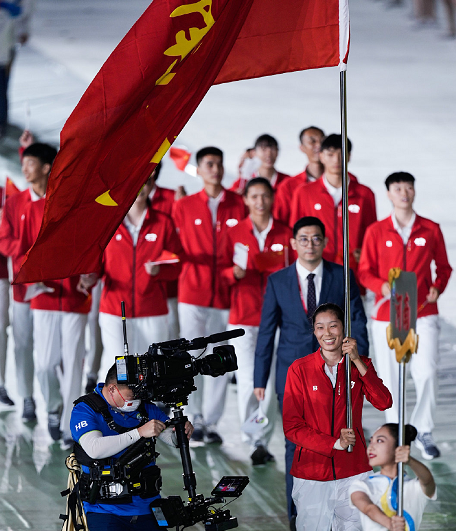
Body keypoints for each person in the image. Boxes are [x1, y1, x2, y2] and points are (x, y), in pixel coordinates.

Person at [254, 216, 369, 521]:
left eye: (316, 238)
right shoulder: (277, 281)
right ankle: (298, 515)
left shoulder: (342, 275)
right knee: (297, 441)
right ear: (293, 244)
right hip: (292, 374)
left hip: (337, 373)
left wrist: (359, 363)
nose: (310, 244)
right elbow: (267, 331)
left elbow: (357, 320)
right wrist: (259, 378)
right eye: (303, 239)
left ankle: (342, 512)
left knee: (344, 438)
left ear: (326, 242)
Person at [358, 171, 452, 460]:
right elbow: (364, 271)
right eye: (397, 188)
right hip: (387, 313)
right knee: (389, 376)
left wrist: (438, 288)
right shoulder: (376, 231)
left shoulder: (430, 229)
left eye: (408, 187)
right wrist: (381, 286)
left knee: (426, 370)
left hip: (422, 311)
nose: (404, 192)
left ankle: (423, 429)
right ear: (388, 193)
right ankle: (396, 430)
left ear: (414, 191)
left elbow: (444, 268)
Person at [283, 303, 392, 531]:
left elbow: (384, 402)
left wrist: (357, 361)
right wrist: (334, 443)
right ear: (314, 332)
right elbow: (292, 427)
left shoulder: (360, 366)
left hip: (354, 470)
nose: (327, 333)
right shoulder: (299, 369)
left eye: (333, 326)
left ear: (344, 329)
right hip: (311, 473)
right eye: (320, 327)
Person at [172, 146, 247, 445]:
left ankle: (210, 421)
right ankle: (191, 416)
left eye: (219, 163)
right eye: (209, 164)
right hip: (192, 291)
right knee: (191, 355)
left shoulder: (238, 205)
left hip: (225, 293)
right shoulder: (184, 205)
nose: (215, 169)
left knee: (220, 356)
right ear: (199, 169)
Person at [218, 177, 294, 465]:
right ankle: (253, 439)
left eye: (264, 196)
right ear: (246, 200)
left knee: (271, 380)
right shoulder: (235, 232)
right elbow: (221, 271)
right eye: (254, 196)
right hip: (243, 317)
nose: (259, 201)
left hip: (275, 318)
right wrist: (232, 274)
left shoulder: (285, 233)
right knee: (250, 379)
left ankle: (262, 436)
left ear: (272, 198)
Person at [70, 363, 194, 531]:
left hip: (148, 507)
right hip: (105, 511)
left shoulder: (146, 408)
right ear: (112, 389)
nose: (136, 400)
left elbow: (172, 439)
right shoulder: (85, 410)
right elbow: (95, 448)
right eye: (131, 395)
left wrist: (181, 430)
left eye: (139, 394)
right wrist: (139, 432)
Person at [0, 141, 57, 421]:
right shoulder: (14, 203)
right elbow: (4, 241)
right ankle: (26, 398)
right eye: (23, 163)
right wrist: (27, 257)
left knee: (51, 352)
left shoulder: (61, 201)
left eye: (30, 163)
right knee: (22, 344)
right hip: (23, 290)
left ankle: (55, 403)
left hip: (55, 292)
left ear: (47, 168)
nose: (24, 168)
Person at [98, 173, 183, 357]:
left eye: (146, 182)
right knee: (121, 372)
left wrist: (160, 271)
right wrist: (89, 277)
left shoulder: (163, 223)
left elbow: (177, 265)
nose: (141, 187)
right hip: (114, 310)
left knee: (151, 373)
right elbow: (97, 264)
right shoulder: (108, 222)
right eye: (135, 182)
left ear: (152, 185)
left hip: (153, 310)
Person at [289, 134, 377, 291]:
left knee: (353, 314)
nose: (336, 160)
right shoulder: (304, 193)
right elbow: (294, 233)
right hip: (315, 274)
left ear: (349, 156)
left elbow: (371, 235)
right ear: (321, 156)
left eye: (341, 154)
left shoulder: (365, 194)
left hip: (354, 276)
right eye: (330, 154)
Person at [349, 423, 436, 530]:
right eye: (370, 441)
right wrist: (390, 524)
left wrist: (410, 461)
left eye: (379, 441)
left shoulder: (414, 487)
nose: (371, 447)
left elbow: (427, 481)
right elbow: (368, 508)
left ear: (399, 447)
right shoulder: (361, 485)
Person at [273, 126, 325, 226]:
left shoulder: (344, 182)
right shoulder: (288, 187)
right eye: (312, 141)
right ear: (302, 148)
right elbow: (280, 225)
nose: (318, 145)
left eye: (322, 141)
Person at [0, 0, 33, 138]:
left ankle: (1, 126)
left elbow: (26, 11)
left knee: (1, 87)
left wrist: (24, 30)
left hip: (4, 50)